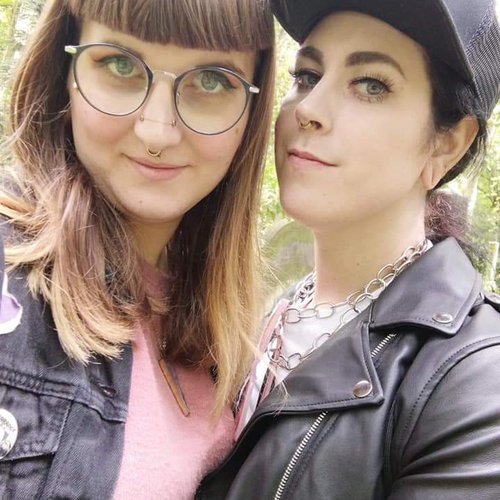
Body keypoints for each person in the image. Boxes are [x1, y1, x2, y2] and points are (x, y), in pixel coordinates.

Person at [197, 0, 500, 498]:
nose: (309, 110)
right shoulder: (260, 316)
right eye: (307, 76)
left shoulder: (474, 377)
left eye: (371, 84)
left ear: (447, 145)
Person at [0, 0, 274, 498]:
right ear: (65, 71)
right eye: (120, 65)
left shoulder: (237, 346)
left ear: (251, 113)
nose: (156, 131)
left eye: (211, 80)